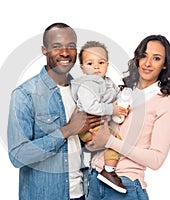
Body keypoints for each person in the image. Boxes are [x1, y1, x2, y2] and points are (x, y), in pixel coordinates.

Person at [7, 22, 102, 200]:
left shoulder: (84, 92)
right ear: (44, 50)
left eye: (71, 46)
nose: (65, 53)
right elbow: (17, 156)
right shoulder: (25, 94)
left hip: (83, 193)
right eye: (56, 46)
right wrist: (67, 130)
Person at [86, 35, 170, 200]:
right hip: (94, 181)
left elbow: (156, 160)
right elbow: (100, 140)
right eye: (144, 55)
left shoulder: (165, 103)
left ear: (165, 65)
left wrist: (109, 141)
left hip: (124, 187)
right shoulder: (121, 92)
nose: (147, 63)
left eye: (156, 58)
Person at [70, 41, 128, 193]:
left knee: (111, 138)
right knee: (114, 139)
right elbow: (91, 107)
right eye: (90, 63)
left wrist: (122, 104)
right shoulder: (86, 85)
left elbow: (116, 97)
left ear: (107, 65)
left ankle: (99, 167)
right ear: (82, 68)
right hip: (88, 126)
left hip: (102, 122)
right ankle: (109, 170)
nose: (96, 67)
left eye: (101, 62)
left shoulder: (108, 83)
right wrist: (112, 109)